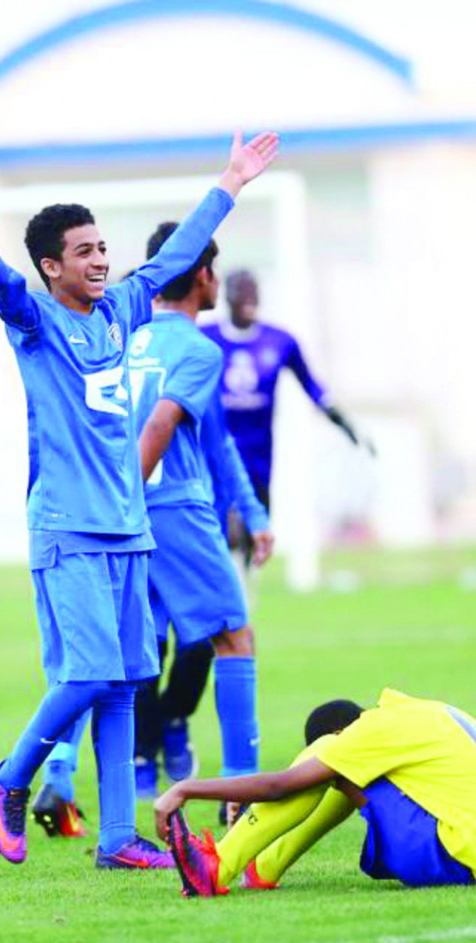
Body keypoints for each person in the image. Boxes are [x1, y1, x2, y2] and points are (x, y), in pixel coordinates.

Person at [0, 128, 280, 868]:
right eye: (83, 252)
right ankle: (9, 776)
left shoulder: (122, 311)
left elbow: (176, 259)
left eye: (102, 248)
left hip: (127, 528)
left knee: (122, 683)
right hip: (67, 528)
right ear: (51, 267)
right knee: (85, 675)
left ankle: (117, 837)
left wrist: (231, 184)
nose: (100, 260)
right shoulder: (35, 322)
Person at [130, 222, 274, 800]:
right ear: (204, 276)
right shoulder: (196, 348)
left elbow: (213, 440)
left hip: (123, 510)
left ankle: (75, 777)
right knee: (234, 638)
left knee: (126, 653)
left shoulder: (123, 340)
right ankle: (242, 790)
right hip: (171, 505)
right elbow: (169, 428)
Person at [152, 689, 476, 896]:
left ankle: (219, 865)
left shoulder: (367, 733)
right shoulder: (419, 712)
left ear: (340, 731)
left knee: (325, 762)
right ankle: (262, 866)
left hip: (463, 855)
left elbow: (279, 786)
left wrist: (185, 788)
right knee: (338, 767)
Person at [202, 270, 367, 559]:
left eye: (254, 292)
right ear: (227, 296)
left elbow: (312, 386)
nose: (249, 298)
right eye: (242, 291)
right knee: (222, 529)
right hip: (216, 449)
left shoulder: (279, 341)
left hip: (260, 453)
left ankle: (245, 590)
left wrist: (342, 421)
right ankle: (228, 588)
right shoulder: (205, 338)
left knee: (255, 535)